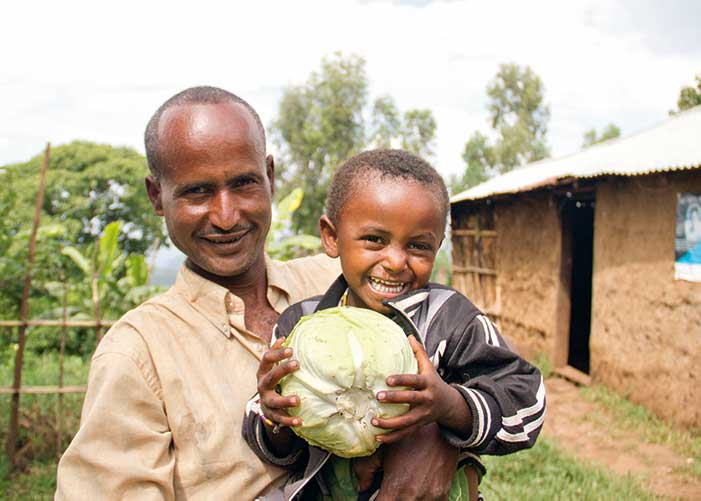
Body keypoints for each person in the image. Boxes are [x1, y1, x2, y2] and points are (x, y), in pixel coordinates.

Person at [55, 87, 467, 500]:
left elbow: (469, 360)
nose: (226, 215)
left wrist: (436, 437)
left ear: (269, 177)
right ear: (156, 196)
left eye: (244, 183)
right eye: (196, 191)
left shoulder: (349, 282)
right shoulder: (137, 354)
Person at [244, 149, 546, 500]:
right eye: (375, 240)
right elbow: (274, 443)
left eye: (418, 246)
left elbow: (527, 399)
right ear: (331, 236)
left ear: (437, 247)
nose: (396, 261)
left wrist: (450, 405)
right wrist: (272, 415)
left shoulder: (449, 319)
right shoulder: (300, 325)